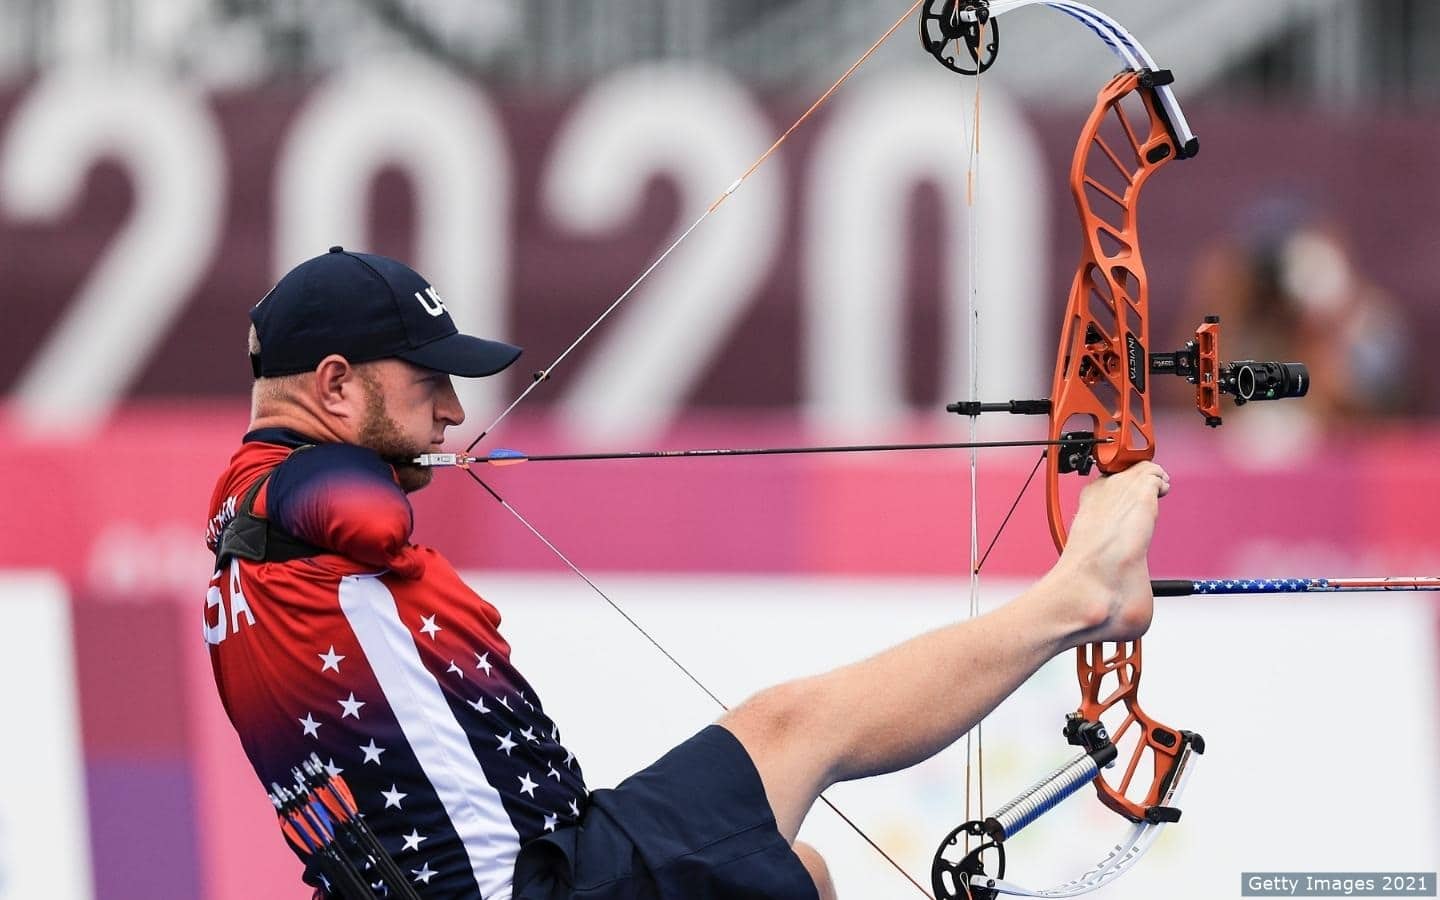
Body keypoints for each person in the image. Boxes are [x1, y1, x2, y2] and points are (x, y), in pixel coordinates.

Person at [204, 247, 1172, 900]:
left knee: (800, 875)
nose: (454, 415)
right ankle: (1081, 596)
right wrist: (366, 490)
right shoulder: (296, 489)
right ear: (334, 385)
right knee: (793, 725)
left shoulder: (249, 543)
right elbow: (354, 508)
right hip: (538, 887)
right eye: (428, 385)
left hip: (549, 865)